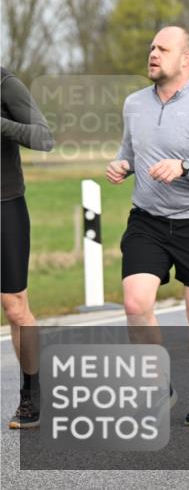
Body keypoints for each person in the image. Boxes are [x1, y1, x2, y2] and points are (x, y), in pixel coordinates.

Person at [106, 26, 189, 424]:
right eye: (151, 47)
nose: (153, 53)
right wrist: (123, 165)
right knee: (135, 303)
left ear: (186, 59)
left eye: (163, 49)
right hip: (147, 219)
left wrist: (185, 167)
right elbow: (130, 150)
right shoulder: (134, 104)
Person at [2, 67, 54, 429]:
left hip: (4, 207)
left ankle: (31, 394)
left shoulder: (6, 85)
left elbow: (44, 138)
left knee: (15, 307)